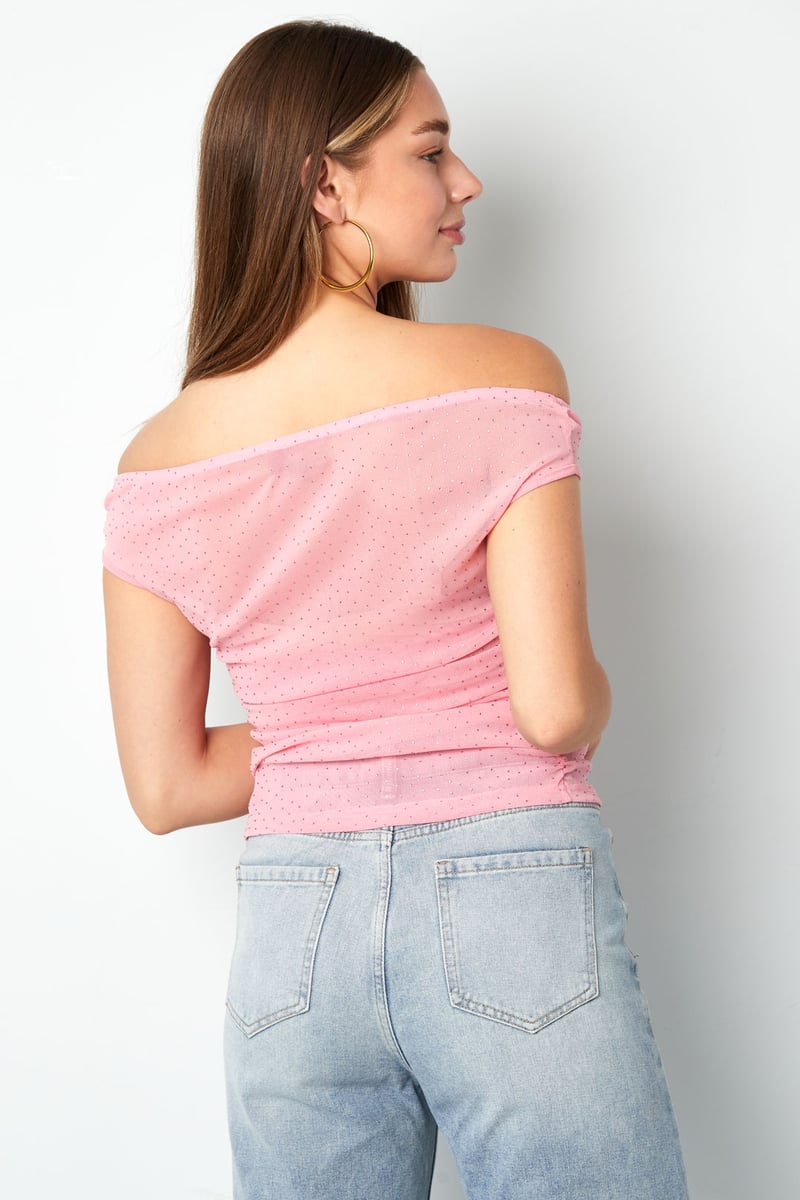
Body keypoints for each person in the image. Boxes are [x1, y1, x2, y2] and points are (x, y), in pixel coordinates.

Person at [102, 20, 688, 1200]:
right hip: (507, 884)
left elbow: (168, 787)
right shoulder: (503, 377)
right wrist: (592, 688)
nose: (464, 182)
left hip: (291, 926)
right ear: (326, 185)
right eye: (429, 151)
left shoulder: (156, 464)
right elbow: (554, 706)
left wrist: (333, 728)